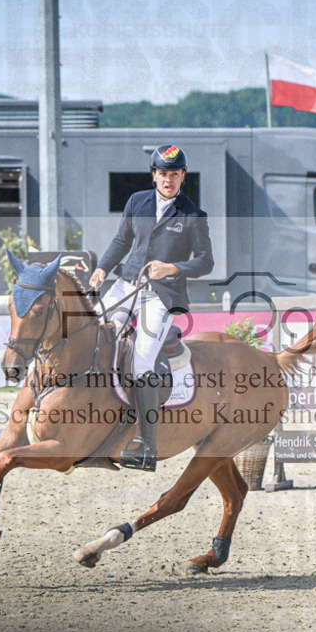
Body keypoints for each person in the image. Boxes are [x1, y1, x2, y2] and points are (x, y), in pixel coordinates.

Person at [89, 145, 214, 471]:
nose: (168, 179)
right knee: (94, 335)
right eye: (163, 173)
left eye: (174, 174)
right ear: (154, 175)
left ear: (183, 176)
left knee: (142, 360)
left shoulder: (192, 216)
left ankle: (146, 445)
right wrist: (102, 268)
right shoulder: (137, 202)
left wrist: (173, 268)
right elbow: (121, 241)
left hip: (161, 295)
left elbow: (206, 262)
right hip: (126, 285)